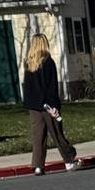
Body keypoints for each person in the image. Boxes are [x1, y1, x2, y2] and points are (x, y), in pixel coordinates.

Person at [22, 33, 77, 176]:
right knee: (57, 133)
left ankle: (38, 166)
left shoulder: (28, 62)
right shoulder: (48, 61)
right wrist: (54, 106)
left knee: (38, 136)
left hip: (33, 106)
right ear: (43, 43)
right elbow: (51, 86)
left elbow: (27, 86)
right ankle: (69, 160)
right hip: (47, 105)